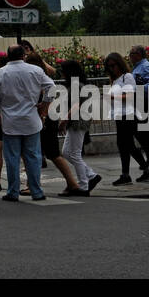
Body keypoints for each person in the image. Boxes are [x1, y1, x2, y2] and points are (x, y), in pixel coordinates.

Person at [0, 45, 54, 201]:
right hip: (31, 119)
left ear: (8, 56)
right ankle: (36, 190)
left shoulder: (0, 73)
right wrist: (44, 105)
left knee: (12, 158)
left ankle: (13, 191)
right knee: (33, 156)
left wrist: (0, 112)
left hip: (10, 121)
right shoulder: (35, 70)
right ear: (24, 55)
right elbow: (51, 87)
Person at [25, 50, 80, 194]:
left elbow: (47, 97)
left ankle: (33, 185)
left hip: (45, 119)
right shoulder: (43, 75)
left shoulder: (38, 77)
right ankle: (71, 183)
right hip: (49, 118)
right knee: (50, 153)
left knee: (42, 153)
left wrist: (42, 115)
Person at [104, 52, 149, 185]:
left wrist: (113, 97)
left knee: (124, 145)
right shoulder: (115, 80)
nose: (112, 69)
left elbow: (130, 96)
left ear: (119, 64)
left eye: (113, 65)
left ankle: (126, 174)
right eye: (109, 67)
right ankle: (146, 170)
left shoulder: (127, 77)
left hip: (128, 115)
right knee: (128, 145)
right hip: (120, 115)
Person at [56, 60, 98, 196]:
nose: (61, 73)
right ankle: (90, 175)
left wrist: (64, 121)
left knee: (73, 154)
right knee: (68, 152)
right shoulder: (77, 84)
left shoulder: (75, 85)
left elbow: (76, 106)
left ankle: (83, 185)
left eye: (63, 70)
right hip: (77, 121)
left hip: (78, 122)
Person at [127, 46, 149, 171]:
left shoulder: (145, 66)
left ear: (139, 54)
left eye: (132, 53)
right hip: (141, 102)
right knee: (142, 131)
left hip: (146, 101)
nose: (130, 56)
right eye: (130, 53)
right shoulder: (138, 66)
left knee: (146, 132)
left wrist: (137, 90)